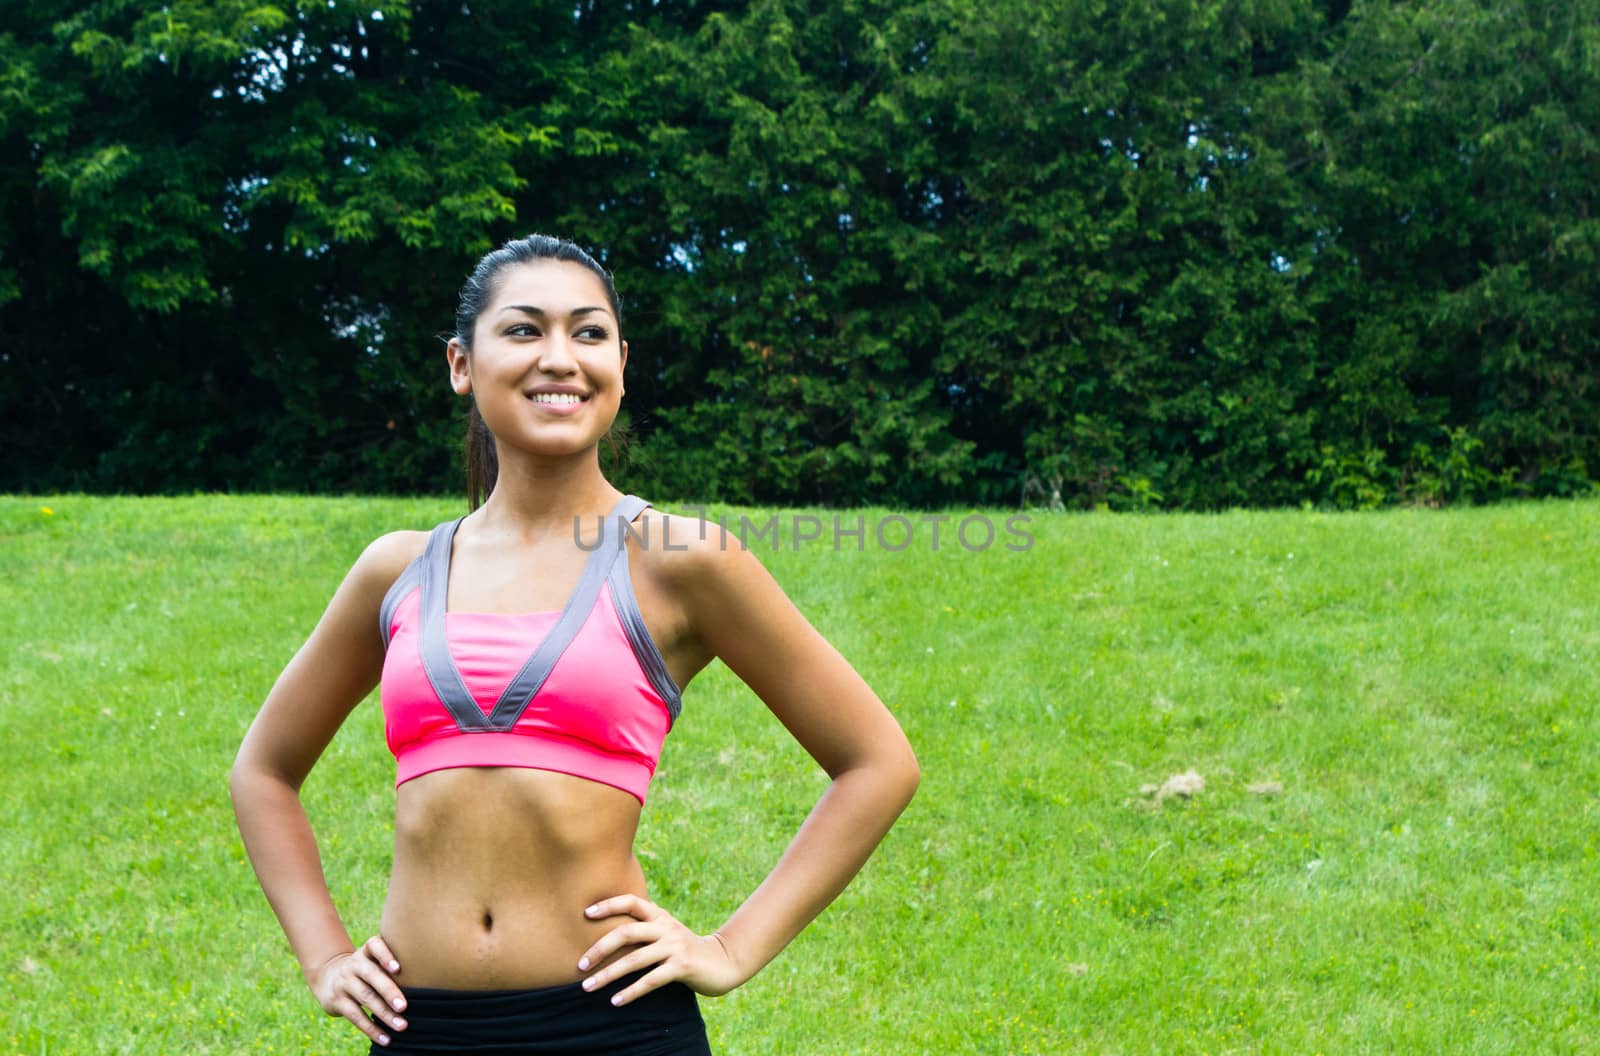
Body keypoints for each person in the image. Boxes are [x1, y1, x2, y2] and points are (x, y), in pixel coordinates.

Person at [229, 233, 921, 1054]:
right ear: (461, 363)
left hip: (614, 1028)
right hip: (421, 1031)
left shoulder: (679, 559)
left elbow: (878, 763)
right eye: (524, 330)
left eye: (588, 333)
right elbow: (264, 772)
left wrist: (730, 949)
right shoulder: (399, 570)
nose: (560, 358)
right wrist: (326, 957)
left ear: (620, 365)